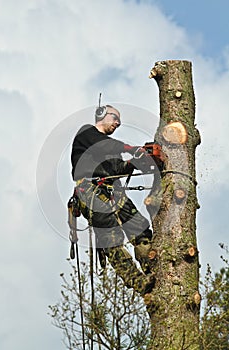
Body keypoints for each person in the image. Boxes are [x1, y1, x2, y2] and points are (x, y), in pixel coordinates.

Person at [71, 104, 156, 296]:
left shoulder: (107, 150)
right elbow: (105, 144)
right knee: (111, 238)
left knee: (140, 228)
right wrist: (132, 149)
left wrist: (137, 162)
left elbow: (118, 168)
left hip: (114, 192)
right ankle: (138, 281)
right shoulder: (87, 134)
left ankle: (152, 267)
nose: (118, 123)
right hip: (90, 190)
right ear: (102, 115)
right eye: (115, 118)